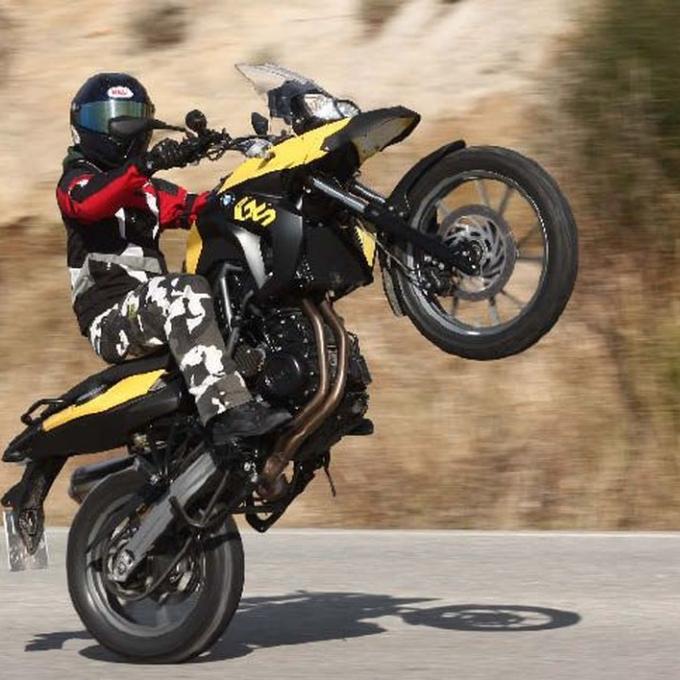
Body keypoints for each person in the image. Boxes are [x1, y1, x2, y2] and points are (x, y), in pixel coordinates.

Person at [57, 72, 289, 443]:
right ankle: (226, 412)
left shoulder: (149, 192)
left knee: (238, 291)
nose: (121, 125)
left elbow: (208, 208)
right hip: (110, 320)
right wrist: (146, 165)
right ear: (82, 124)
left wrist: (263, 178)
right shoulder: (77, 181)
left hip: (152, 312)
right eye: (108, 115)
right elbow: (90, 203)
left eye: (132, 114)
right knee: (183, 290)